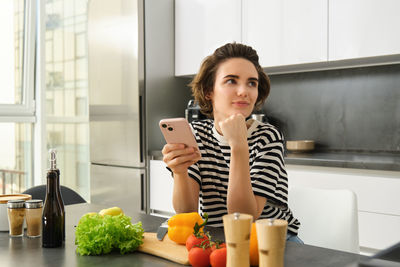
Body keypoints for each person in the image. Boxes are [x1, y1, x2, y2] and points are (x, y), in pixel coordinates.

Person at [162, 42, 302, 243]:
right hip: (218, 240)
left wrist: (238, 146)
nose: (244, 91)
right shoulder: (197, 135)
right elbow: (187, 211)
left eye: (252, 83)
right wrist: (180, 172)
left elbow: (244, 217)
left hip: (272, 242)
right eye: (231, 81)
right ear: (209, 91)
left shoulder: (268, 137)